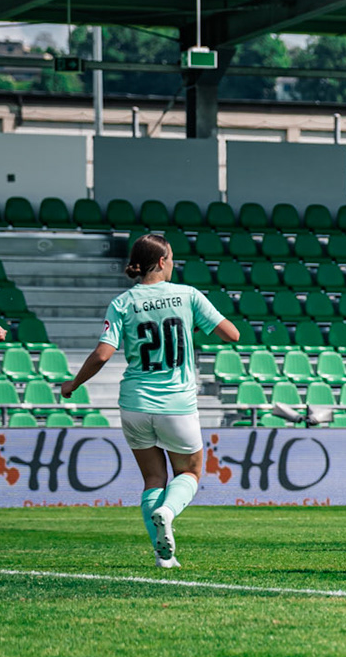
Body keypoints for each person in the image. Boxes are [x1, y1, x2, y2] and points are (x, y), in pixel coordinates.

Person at [55, 233, 240, 567]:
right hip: (176, 404)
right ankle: (168, 511)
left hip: (134, 404)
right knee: (192, 471)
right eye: (171, 258)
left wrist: (73, 383)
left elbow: (102, 354)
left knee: (154, 479)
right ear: (163, 261)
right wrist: (190, 326)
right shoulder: (187, 295)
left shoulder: (123, 302)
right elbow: (232, 334)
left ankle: (163, 555)